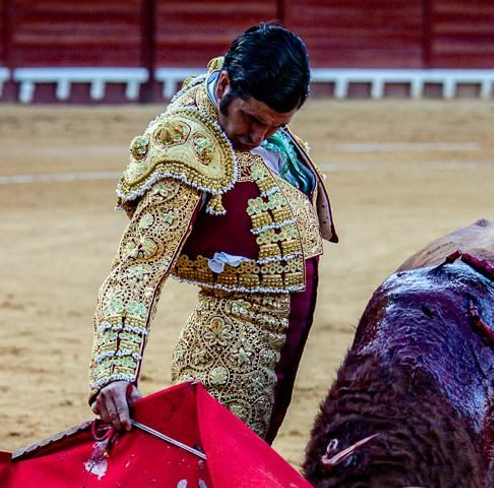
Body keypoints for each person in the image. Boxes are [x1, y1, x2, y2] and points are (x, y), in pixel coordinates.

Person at [89, 23, 336, 443]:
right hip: (229, 354)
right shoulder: (185, 147)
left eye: (275, 128)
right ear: (224, 84)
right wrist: (114, 370)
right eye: (253, 120)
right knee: (214, 477)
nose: (258, 137)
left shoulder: (243, 106)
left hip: (272, 341)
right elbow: (138, 266)